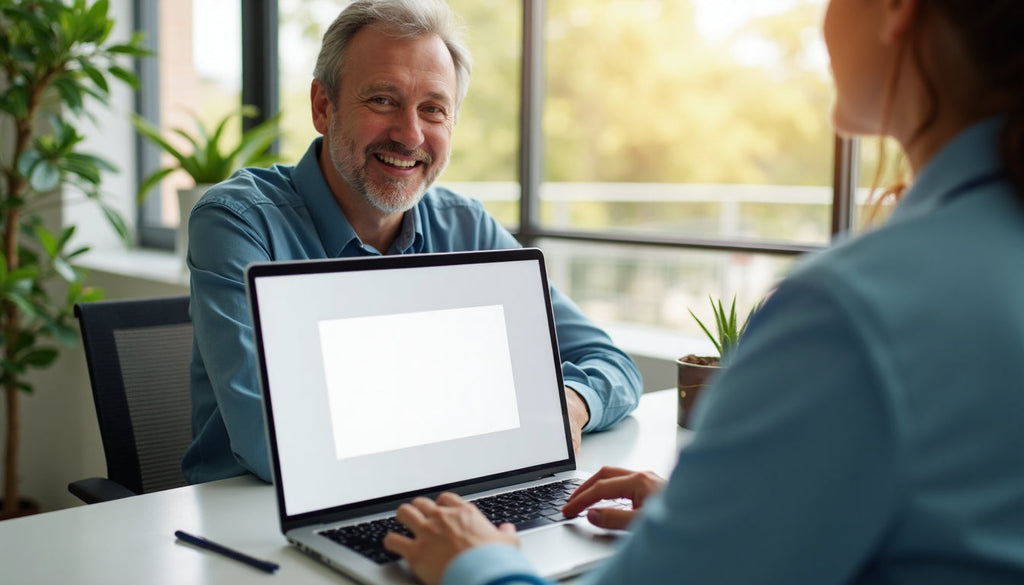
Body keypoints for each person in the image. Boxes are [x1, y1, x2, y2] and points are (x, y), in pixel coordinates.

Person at [381, 0, 1024, 583]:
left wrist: (477, 563)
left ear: (896, 12)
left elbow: (608, 363)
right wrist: (726, 520)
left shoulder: (853, 306)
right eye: (382, 100)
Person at [181, 0, 642, 485]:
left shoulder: (466, 229)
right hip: (252, 521)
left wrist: (569, 402)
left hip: (442, 499)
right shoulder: (239, 223)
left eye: (433, 109)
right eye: (382, 100)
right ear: (323, 106)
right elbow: (271, 443)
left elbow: (612, 366)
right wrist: (493, 420)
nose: (409, 134)